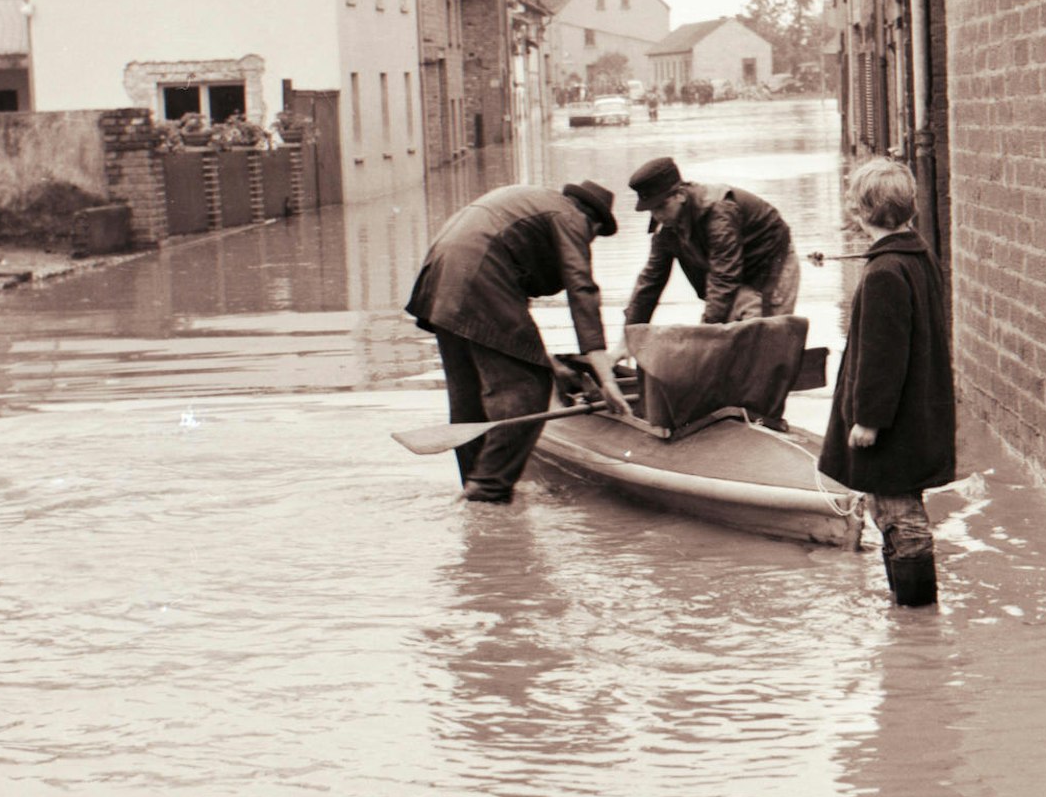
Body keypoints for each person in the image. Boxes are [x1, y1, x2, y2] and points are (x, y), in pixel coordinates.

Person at [403, 180, 629, 503]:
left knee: (468, 396)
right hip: (479, 278)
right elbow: (582, 290)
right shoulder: (571, 218)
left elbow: (511, 321)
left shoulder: (533, 205)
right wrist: (605, 376)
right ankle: (490, 488)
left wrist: (548, 361)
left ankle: (474, 487)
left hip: (442, 277)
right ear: (592, 222)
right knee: (527, 389)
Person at [818, 157, 956, 608]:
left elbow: (882, 355)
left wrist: (868, 420)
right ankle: (907, 612)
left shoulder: (882, 274)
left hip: (893, 420)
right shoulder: (916, 256)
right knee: (891, 507)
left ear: (859, 212)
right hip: (918, 407)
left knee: (899, 513)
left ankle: (917, 613)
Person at [619, 155, 799, 327]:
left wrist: (707, 328)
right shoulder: (665, 227)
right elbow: (651, 281)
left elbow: (724, 276)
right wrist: (630, 334)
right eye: (651, 210)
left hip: (771, 264)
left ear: (680, 194)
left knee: (767, 331)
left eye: (661, 207)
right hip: (732, 269)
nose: (657, 215)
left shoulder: (718, 212)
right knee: (730, 335)